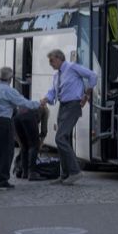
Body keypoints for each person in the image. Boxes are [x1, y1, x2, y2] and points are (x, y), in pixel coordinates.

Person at [0, 67, 41, 189]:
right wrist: (39, 103)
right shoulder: (8, 90)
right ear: (10, 78)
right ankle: (1, 179)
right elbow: (24, 103)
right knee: (5, 151)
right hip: (3, 122)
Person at [41, 49, 98, 185]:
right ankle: (65, 174)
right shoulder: (56, 76)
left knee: (60, 138)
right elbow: (52, 92)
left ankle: (75, 172)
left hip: (72, 105)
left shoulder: (72, 67)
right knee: (63, 138)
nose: (50, 64)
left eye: (52, 61)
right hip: (63, 106)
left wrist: (87, 94)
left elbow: (92, 76)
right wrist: (45, 99)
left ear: (60, 58)